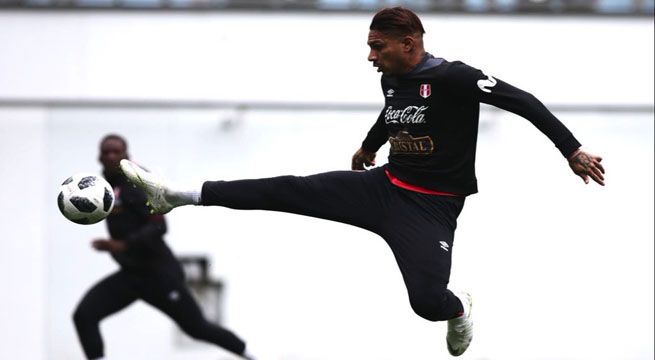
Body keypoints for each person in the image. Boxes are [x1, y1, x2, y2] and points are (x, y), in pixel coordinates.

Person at [119, 6, 605, 357]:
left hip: (430, 208)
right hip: (383, 186)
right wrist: (370, 145)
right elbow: (392, 110)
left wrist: (572, 150)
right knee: (289, 189)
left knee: (426, 303)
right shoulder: (391, 78)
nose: (371, 56)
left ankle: (459, 309)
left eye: (378, 47)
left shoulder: (456, 78)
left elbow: (523, 100)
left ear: (409, 45)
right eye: (370, 46)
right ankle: (177, 195)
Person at [72, 134, 256, 360]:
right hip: (131, 275)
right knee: (84, 315)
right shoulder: (104, 186)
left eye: (116, 152)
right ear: (99, 157)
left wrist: (123, 244)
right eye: (106, 152)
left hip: (159, 275)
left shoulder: (136, 183)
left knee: (197, 328)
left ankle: (251, 354)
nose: (111, 156)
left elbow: (159, 227)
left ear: (126, 156)